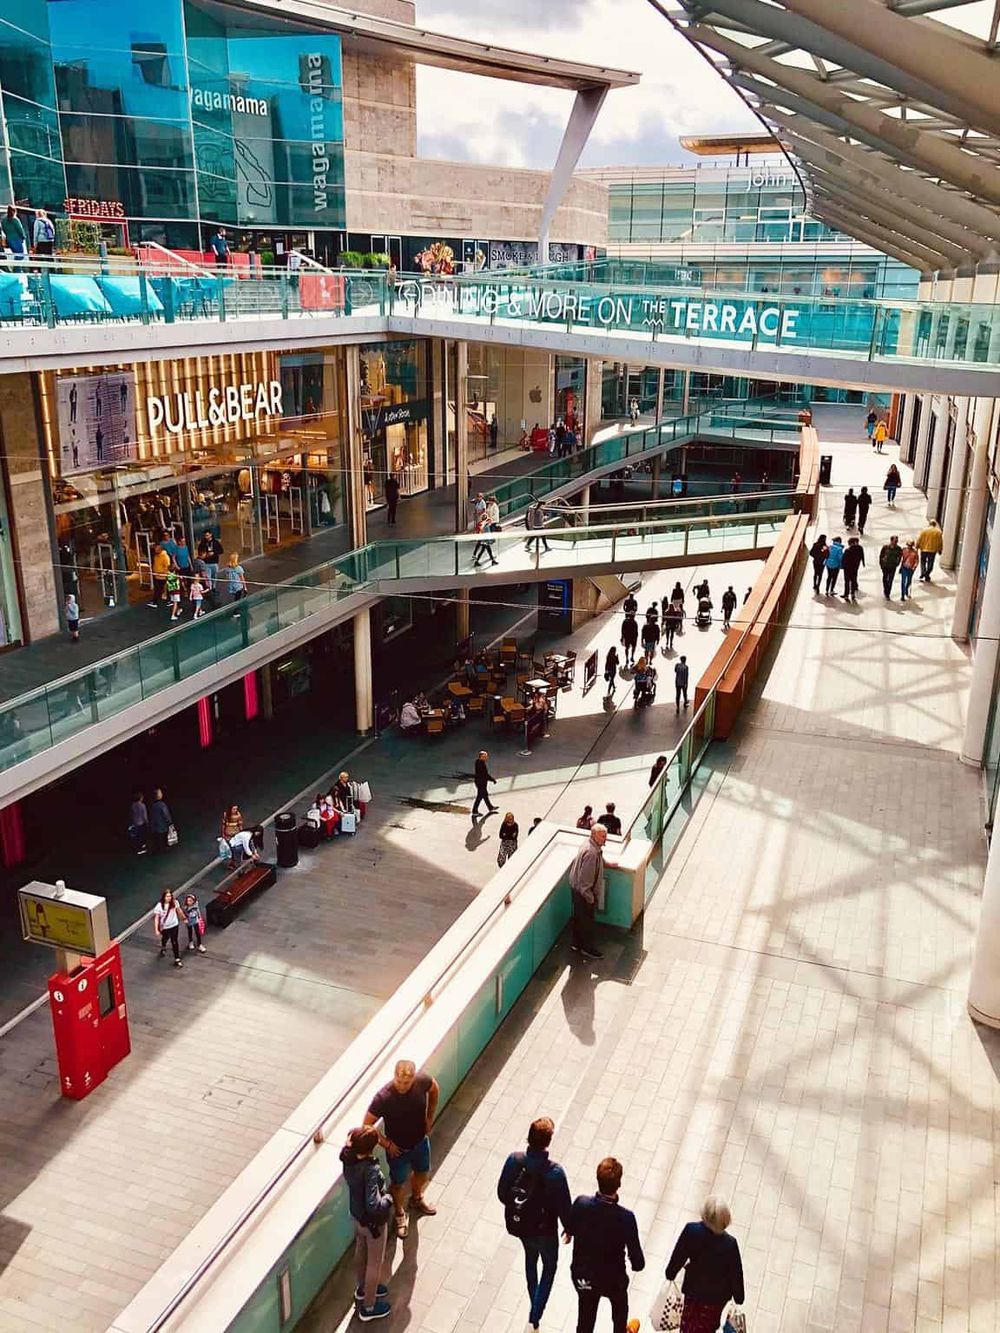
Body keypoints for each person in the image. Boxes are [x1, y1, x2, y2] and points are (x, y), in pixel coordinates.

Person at [497, 1117, 573, 1332]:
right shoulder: (555, 1173)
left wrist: (518, 1205)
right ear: (548, 1142)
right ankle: (534, 1317)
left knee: (531, 1260)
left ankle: (534, 1306)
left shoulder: (514, 1160)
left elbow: (502, 1193)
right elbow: (564, 1207)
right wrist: (569, 1228)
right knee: (549, 1267)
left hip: (522, 1227)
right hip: (546, 1230)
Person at [565, 1156, 645, 1333]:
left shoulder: (581, 1204)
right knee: (619, 1312)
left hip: (584, 1275)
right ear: (619, 1184)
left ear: (597, 1179)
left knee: (585, 1318)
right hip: (613, 1279)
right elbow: (638, 1263)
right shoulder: (626, 1218)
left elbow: (569, 1227)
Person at [364, 1060, 440, 1238]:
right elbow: (367, 1125)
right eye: (398, 1081)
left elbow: (434, 1088)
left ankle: (417, 1198)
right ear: (394, 1076)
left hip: (420, 1142)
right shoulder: (383, 1097)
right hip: (398, 1151)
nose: (402, 1086)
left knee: (423, 1173)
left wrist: (430, 1116)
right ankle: (399, 1213)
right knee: (398, 1184)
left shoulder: (422, 1081)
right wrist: (387, 1144)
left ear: (414, 1078)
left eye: (406, 1082)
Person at [664, 1196, 745, 1333]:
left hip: (693, 1291)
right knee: (708, 1326)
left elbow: (678, 1258)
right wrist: (739, 1297)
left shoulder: (691, 1231)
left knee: (689, 1322)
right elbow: (736, 1275)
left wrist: (671, 1273)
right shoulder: (730, 1244)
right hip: (716, 1299)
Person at [341, 1125, 393, 1322]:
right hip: (373, 1225)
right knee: (374, 1263)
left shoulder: (348, 1160)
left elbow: (348, 1144)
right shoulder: (370, 1169)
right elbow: (374, 1204)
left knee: (360, 1252)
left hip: (357, 1217)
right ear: (371, 1149)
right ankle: (369, 1307)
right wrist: (388, 1199)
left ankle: (362, 1289)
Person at [569, 825, 606, 961]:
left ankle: (576, 943)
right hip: (583, 894)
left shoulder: (589, 845)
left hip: (576, 889)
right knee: (586, 921)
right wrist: (590, 899)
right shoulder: (591, 854)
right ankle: (587, 948)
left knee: (579, 918)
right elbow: (585, 881)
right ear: (594, 835)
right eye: (602, 835)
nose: (605, 838)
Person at [153, 889, 183, 967]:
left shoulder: (174, 903)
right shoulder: (159, 906)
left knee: (174, 941)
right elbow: (156, 918)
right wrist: (156, 929)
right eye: (167, 896)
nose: (169, 898)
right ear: (164, 897)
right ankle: (163, 946)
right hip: (165, 927)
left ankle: (177, 958)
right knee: (165, 938)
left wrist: (184, 918)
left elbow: (179, 911)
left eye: (170, 896)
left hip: (174, 925)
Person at [472, 750, 498, 817]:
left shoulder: (478, 761)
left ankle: (490, 807)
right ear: (481, 757)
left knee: (485, 795)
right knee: (480, 797)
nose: (486, 758)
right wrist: (492, 780)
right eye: (485, 756)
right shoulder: (481, 763)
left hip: (479, 782)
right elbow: (485, 774)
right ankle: (474, 811)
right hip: (481, 783)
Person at [198, 530, 223, 594]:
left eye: (207, 535)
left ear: (210, 535)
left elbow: (221, 551)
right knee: (208, 577)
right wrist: (205, 555)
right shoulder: (203, 543)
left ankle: (213, 587)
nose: (206, 537)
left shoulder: (215, 542)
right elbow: (199, 551)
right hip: (206, 563)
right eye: (205, 536)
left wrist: (214, 552)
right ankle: (210, 588)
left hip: (214, 562)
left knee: (214, 576)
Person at [149, 787, 174, 852]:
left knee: (158, 839)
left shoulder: (153, 806)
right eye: (160, 793)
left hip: (155, 827)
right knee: (164, 838)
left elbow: (151, 816)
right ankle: (164, 849)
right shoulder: (162, 805)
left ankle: (159, 849)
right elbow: (166, 814)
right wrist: (170, 822)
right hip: (163, 826)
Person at [842, 536, 865, 604]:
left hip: (847, 569)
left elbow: (844, 560)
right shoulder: (860, 548)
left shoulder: (847, 550)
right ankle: (852, 594)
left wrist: (843, 566)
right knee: (853, 580)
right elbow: (862, 556)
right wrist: (863, 562)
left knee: (847, 582)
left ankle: (846, 594)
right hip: (855, 568)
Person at [880, 534, 903, 598]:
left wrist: (897, 563)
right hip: (885, 566)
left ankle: (888, 593)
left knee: (890, 580)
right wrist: (881, 564)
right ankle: (885, 589)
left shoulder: (898, 549)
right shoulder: (885, 547)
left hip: (893, 566)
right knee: (885, 579)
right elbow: (881, 556)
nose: (896, 542)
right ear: (891, 540)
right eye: (895, 541)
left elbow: (900, 556)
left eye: (897, 541)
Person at [128, 790, 148, 856]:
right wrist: (147, 823)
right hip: (141, 824)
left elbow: (131, 815)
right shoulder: (142, 805)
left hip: (134, 823)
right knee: (142, 837)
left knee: (135, 837)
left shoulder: (132, 805)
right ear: (140, 798)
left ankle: (136, 849)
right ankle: (142, 849)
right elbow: (144, 816)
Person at [151, 543, 171, 607]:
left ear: (160, 550)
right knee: (158, 589)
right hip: (157, 575)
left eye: (156, 549)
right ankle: (155, 601)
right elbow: (155, 565)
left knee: (165, 588)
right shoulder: (156, 556)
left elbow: (167, 567)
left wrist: (163, 573)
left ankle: (169, 600)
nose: (155, 551)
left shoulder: (165, 556)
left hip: (163, 576)